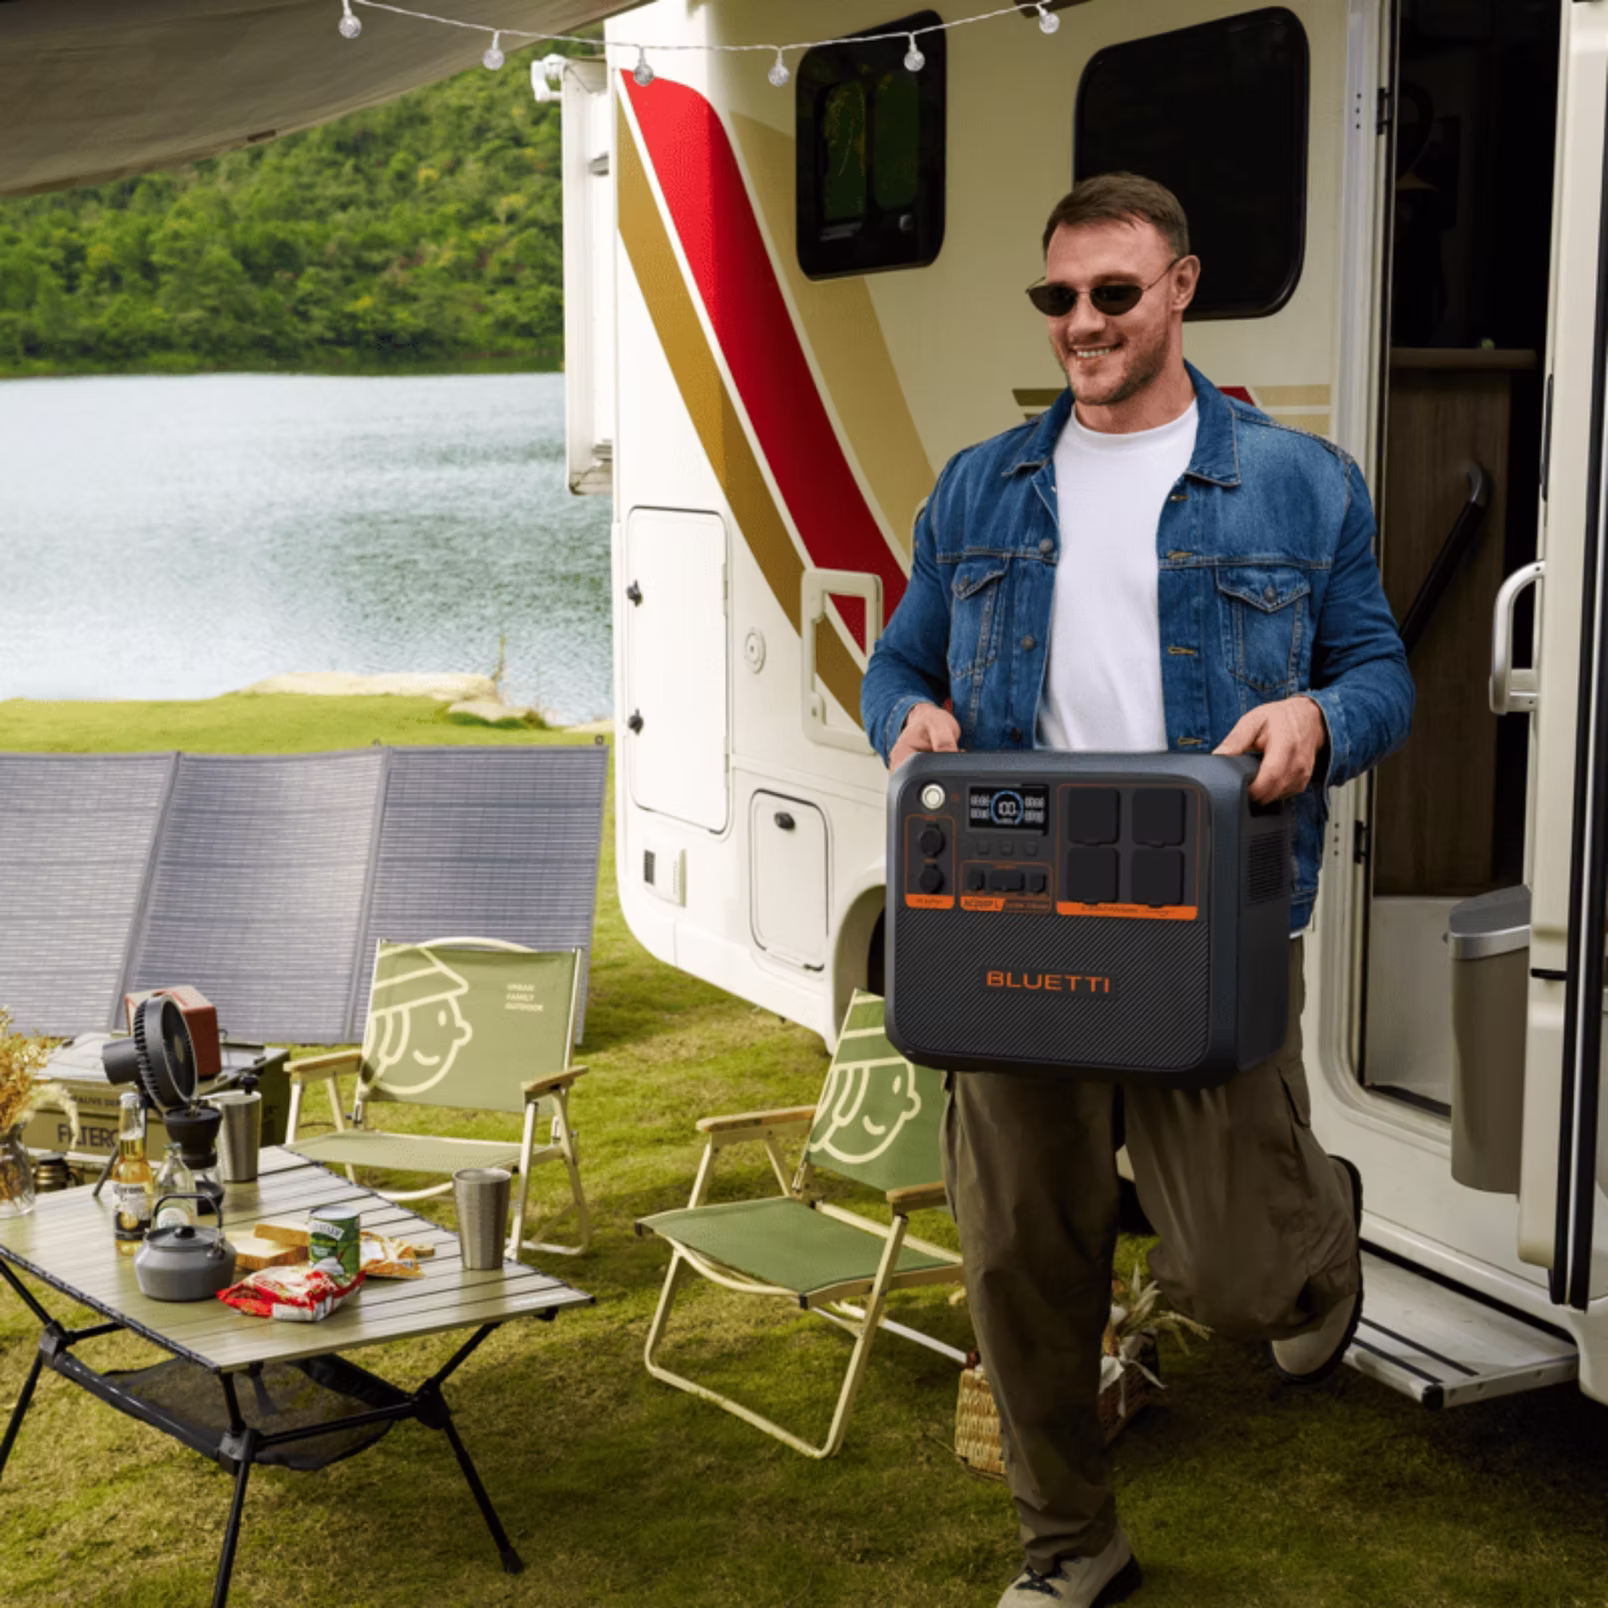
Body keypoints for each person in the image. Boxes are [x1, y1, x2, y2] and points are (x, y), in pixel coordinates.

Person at [861, 173, 1413, 1608]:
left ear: (1180, 288)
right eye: (1060, 298)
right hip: (1014, 912)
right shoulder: (982, 484)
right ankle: (1068, 1547)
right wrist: (902, 721)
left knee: (1242, 1284)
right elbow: (901, 662)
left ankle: (1314, 1234)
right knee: (1019, 1268)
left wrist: (1318, 724)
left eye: (1114, 292)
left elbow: (1381, 678)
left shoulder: (1300, 483)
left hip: (1203, 923)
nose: (1084, 322)